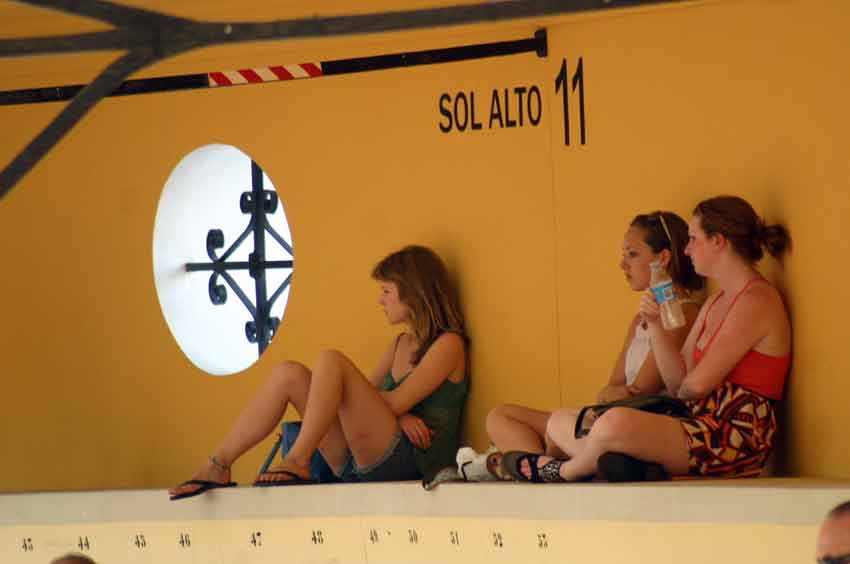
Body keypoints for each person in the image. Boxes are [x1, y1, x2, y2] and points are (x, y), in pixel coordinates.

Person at [504, 195, 792, 482]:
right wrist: (654, 325)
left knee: (614, 422)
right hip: (693, 424)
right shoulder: (715, 302)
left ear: (718, 241)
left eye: (693, 239)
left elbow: (696, 385)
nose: (687, 251)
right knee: (561, 421)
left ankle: (566, 470)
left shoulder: (757, 300)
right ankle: (622, 462)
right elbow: (678, 382)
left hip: (731, 438)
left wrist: (661, 404)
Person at [169, 245, 468, 499]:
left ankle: (299, 458)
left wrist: (396, 410)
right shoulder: (400, 344)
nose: (381, 300)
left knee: (332, 362)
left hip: (413, 462)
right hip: (362, 460)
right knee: (290, 374)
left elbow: (388, 400)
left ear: (413, 294)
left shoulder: (448, 345)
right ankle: (218, 464)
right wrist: (398, 415)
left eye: (387, 291)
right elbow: (370, 400)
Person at [485, 211, 703, 472]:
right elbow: (610, 389)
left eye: (632, 255)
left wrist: (617, 393)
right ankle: (550, 465)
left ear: (663, 258)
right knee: (500, 417)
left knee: (558, 427)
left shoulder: (683, 313)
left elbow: (640, 392)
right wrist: (615, 392)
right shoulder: (640, 320)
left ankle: (550, 465)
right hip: (606, 418)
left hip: (640, 425)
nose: (623, 265)